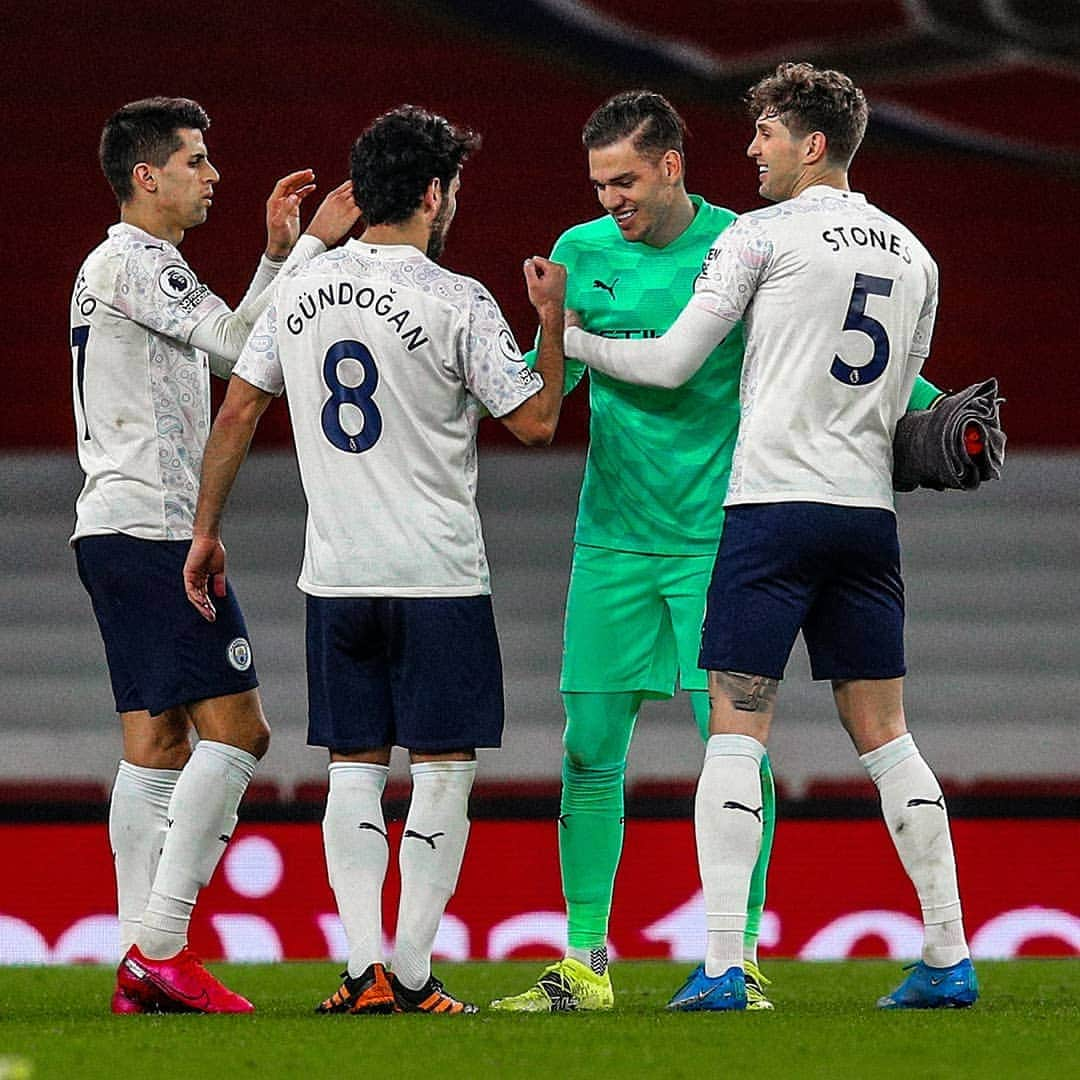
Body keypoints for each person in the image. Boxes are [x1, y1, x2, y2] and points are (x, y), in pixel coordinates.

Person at [490, 90, 944, 1014]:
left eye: (624, 180)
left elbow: (835, 344)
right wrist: (535, 334)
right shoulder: (580, 255)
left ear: (671, 167)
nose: (609, 198)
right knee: (588, 750)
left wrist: (940, 407)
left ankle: (738, 954)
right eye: (597, 183)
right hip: (613, 535)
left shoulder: (751, 240)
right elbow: (545, 396)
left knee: (734, 750)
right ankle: (584, 962)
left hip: (721, 533)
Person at [182, 105, 566, 1016]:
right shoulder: (457, 298)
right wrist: (549, 322)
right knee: (441, 769)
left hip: (338, 577)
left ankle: (363, 973)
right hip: (436, 575)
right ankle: (419, 975)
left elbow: (235, 413)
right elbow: (538, 420)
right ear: (433, 194)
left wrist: (205, 529)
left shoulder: (300, 294)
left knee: (353, 767)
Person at [71, 96, 359, 1014]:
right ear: (147, 176)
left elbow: (230, 346)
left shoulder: (130, 267)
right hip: (147, 531)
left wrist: (276, 258)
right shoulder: (137, 260)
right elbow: (246, 349)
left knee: (155, 746)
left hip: (125, 525)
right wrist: (309, 250)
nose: (215, 175)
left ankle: (136, 963)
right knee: (241, 733)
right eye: (197, 161)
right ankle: (160, 947)